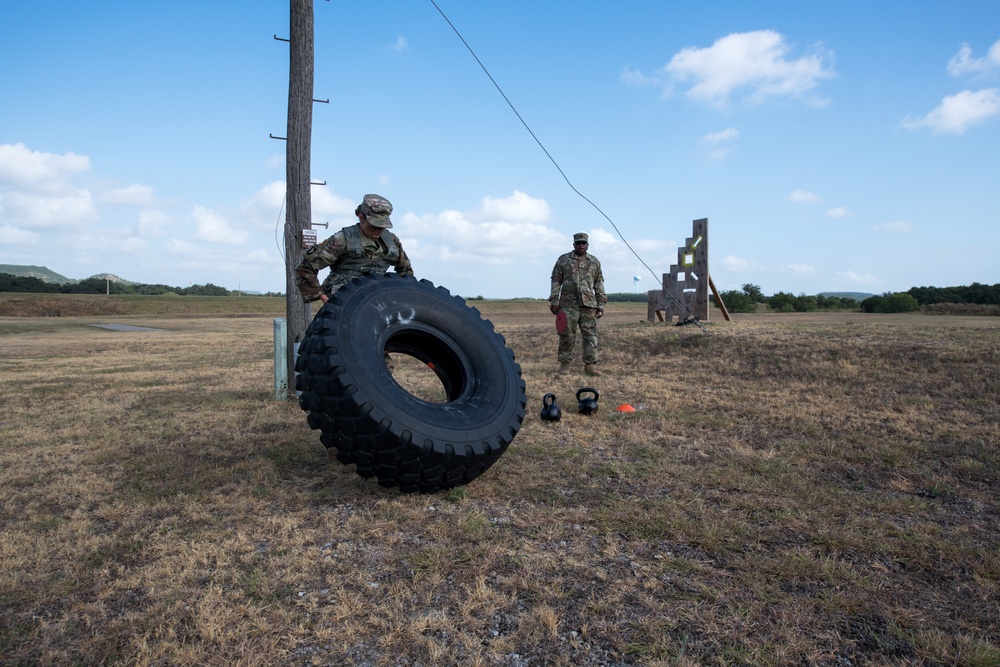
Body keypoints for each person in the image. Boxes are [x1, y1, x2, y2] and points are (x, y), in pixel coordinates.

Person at [294, 193, 414, 305]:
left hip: (375, 300)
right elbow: (306, 267)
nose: (378, 230)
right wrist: (322, 296)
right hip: (343, 301)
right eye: (374, 226)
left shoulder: (391, 242)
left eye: (382, 226)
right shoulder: (342, 240)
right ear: (361, 218)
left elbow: (406, 272)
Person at [549, 232, 606, 376]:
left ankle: (590, 366)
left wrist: (601, 304)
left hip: (588, 305)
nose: (581, 245)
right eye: (578, 243)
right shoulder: (563, 260)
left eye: (583, 243)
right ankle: (565, 365)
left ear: (587, 245)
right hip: (568, 305)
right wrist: (554, 300)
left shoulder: (594, 262)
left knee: (590, 336)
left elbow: (599, 283)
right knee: (566, 335)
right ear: (573, 244)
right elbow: (556, 281)